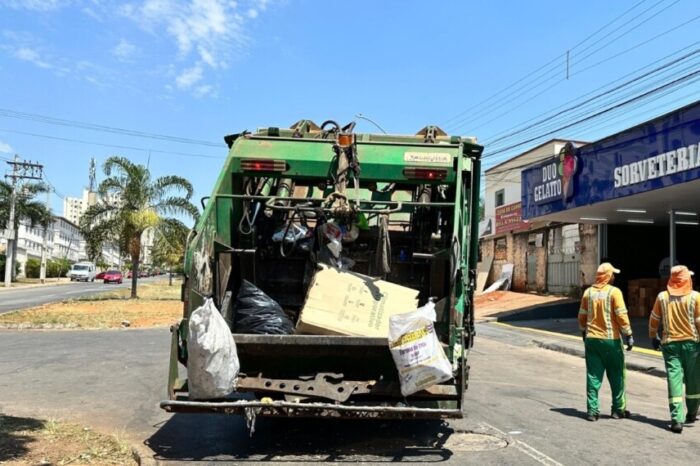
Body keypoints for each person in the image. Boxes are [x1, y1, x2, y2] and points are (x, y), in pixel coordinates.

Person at [578, 262, 634, 421]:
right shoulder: (614, 292)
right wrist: (628, 334)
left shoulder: (588, 293)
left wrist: (583, 331)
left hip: (592, 341)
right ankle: (618, 410)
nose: (614, 277)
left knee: (593, 376)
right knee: (617, 376)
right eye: (613, 274)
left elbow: (582, 316)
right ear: (608, 277)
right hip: (611, 341)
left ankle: (592, 411)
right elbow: (621, 315)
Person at [648, 265, 700, 434]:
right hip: (692, 345)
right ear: (687, 279)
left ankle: (677, 419)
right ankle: (692, 413)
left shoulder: (662, 297)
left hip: (670, 345)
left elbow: (654, 319)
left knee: (674, 379)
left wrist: (653, 336)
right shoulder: (695, 297)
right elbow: (699, 322)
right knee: (693, 379)